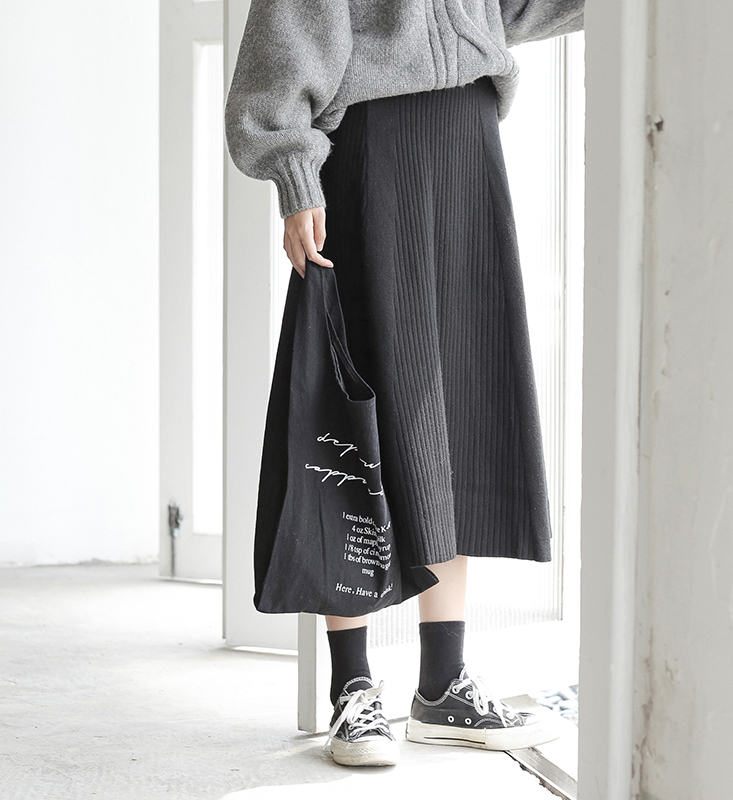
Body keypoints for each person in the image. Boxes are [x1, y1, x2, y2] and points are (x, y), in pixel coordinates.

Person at [225, 0, 585, 768]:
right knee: (350, 413)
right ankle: (352, 687)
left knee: (455, 408)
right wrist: (295, 173)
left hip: (469, 139)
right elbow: (288, 28)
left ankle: (443, 682)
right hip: (369, 147)